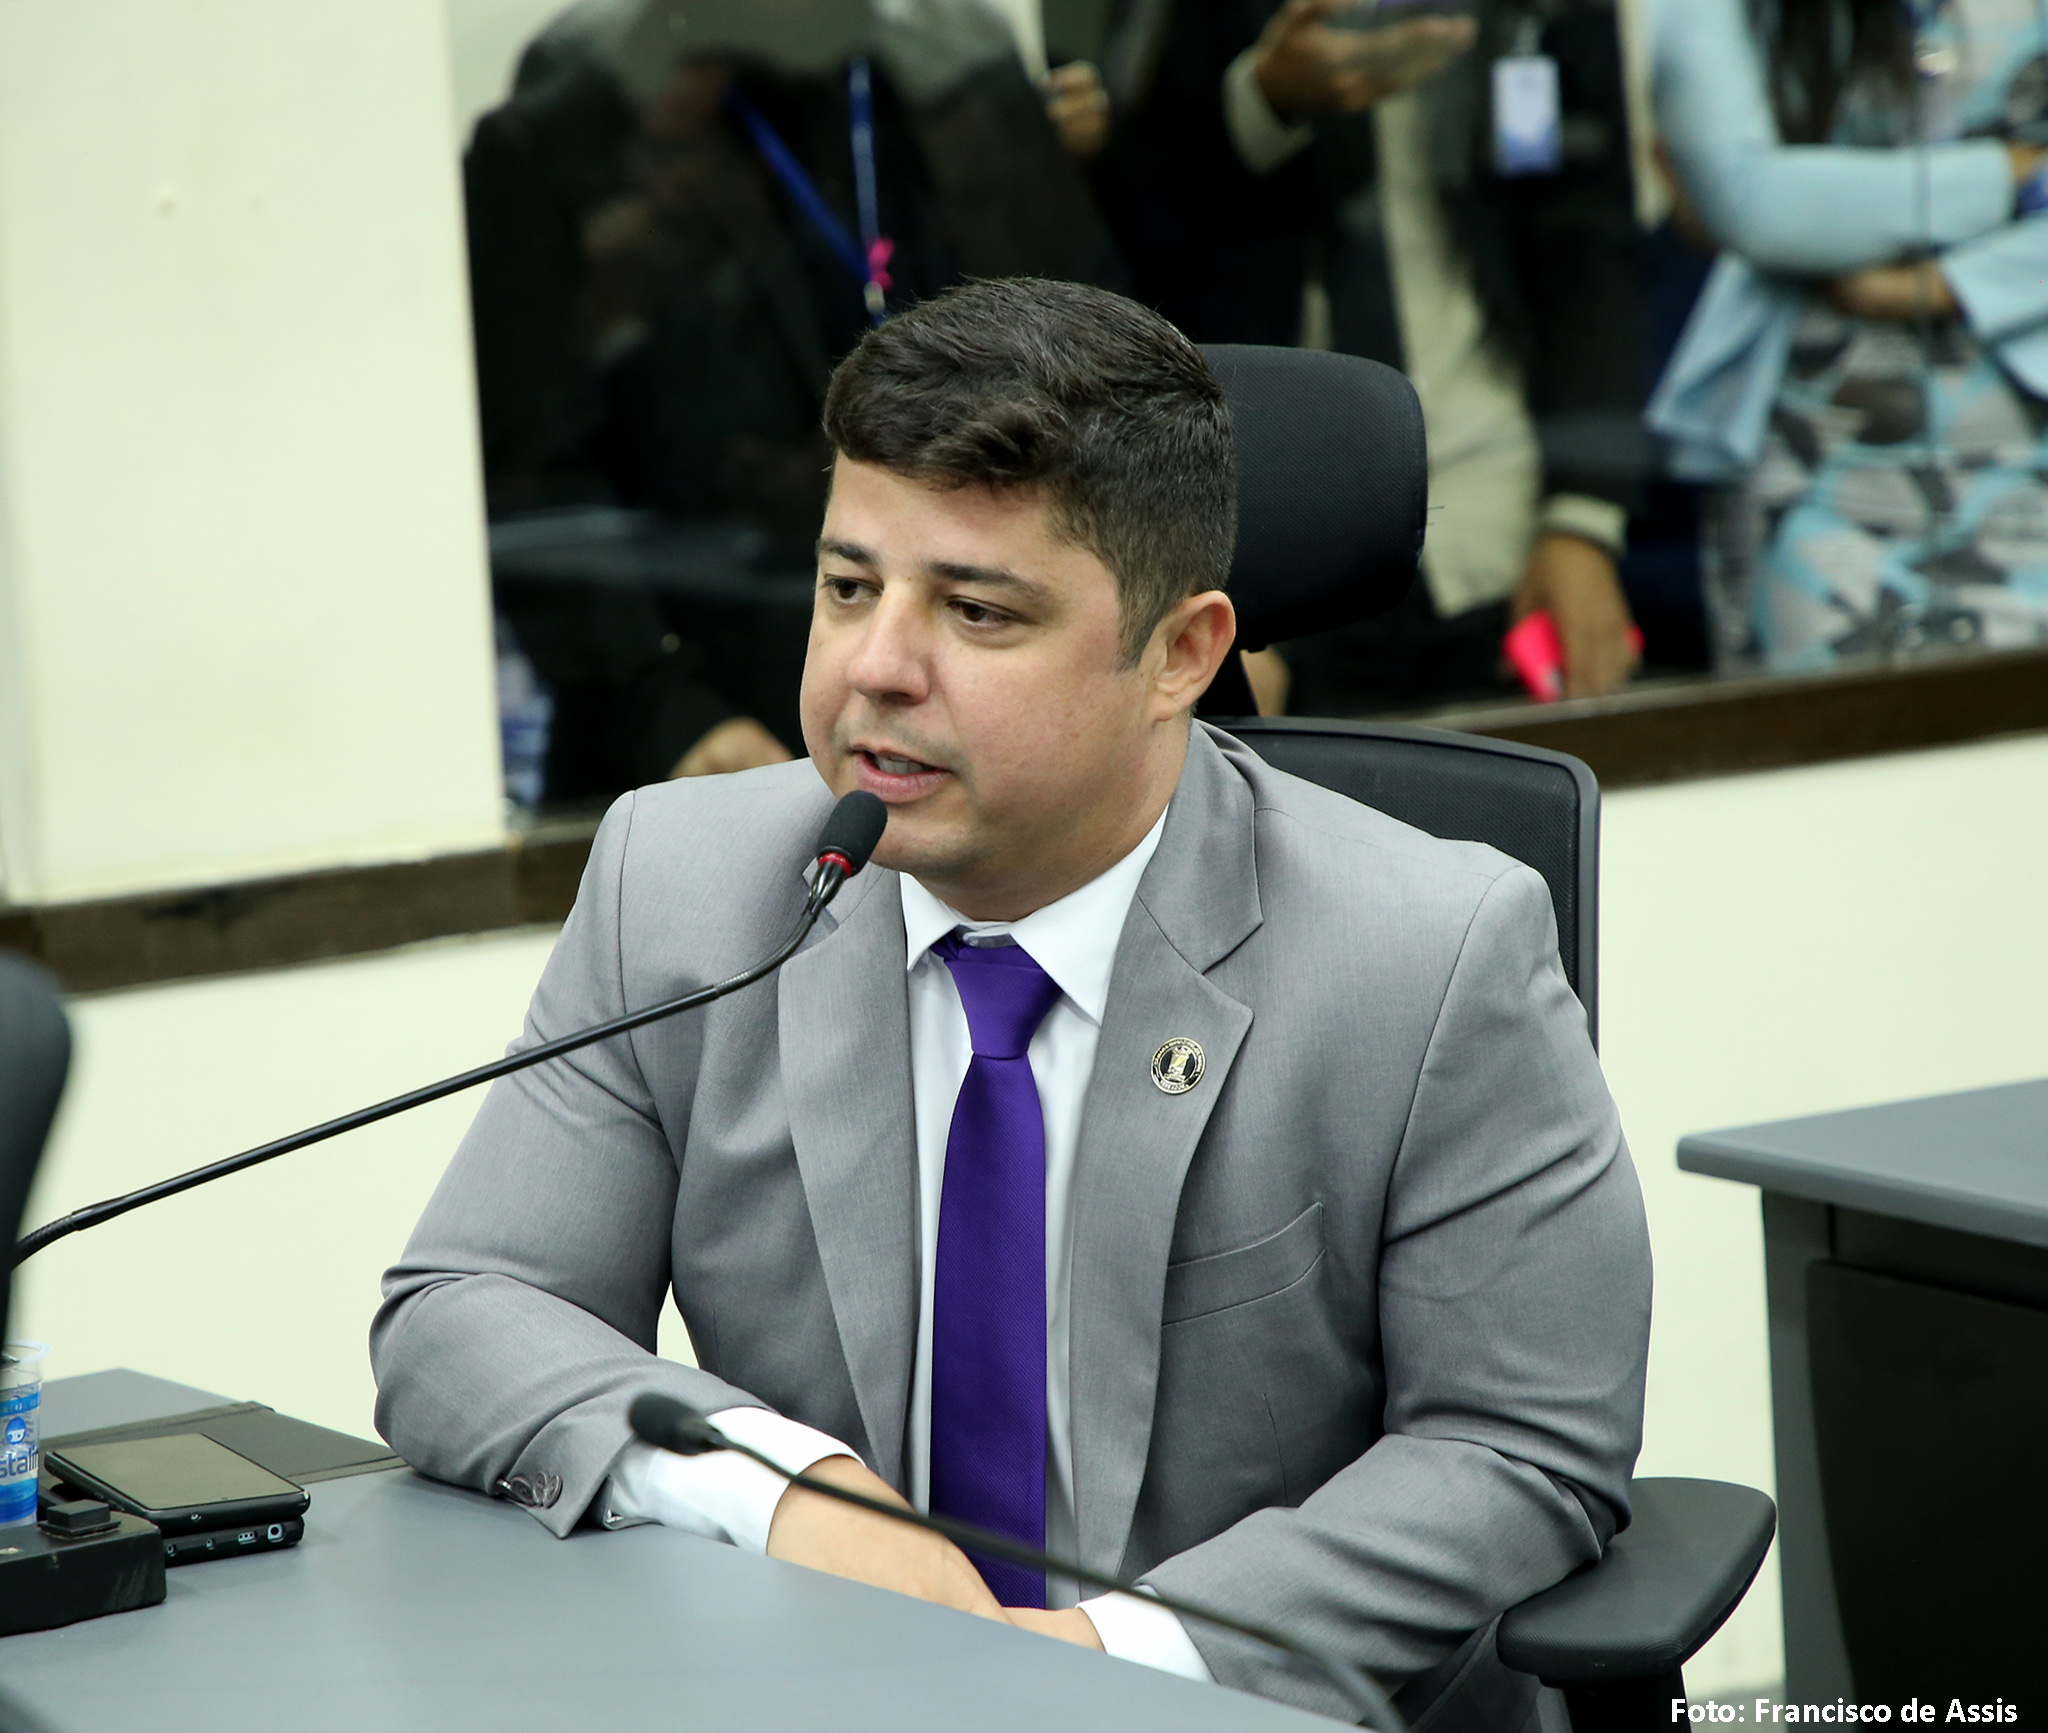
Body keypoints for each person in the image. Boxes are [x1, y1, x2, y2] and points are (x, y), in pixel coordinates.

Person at [373, 279, 1651, 1727]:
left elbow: (1519, 1442)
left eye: (976, 611)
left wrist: (1105, 1662)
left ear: (1181, 653)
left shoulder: (1426, 950)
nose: (875, 668)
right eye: (848, 588)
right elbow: (465, 1309)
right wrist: (789, 1490)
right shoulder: (683, 885)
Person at [470, 0, 1124, 800]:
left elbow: (1097, 380)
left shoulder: (940, 78)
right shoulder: (565, 130)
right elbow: (535, 475)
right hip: (710, 718)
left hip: (979, 693)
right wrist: (667, 713)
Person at [1095, 0, 1650, 707]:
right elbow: (1133, 226)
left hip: (1494, 497)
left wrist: (1585, 518)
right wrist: (1266, 101)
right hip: (1265, 524)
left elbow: (1589, 247)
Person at [1649, 0, 2048, 670]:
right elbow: (1749, 199)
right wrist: (2012, 175)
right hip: (1818, 465)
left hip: (2022, 457)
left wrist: (1943, 285)